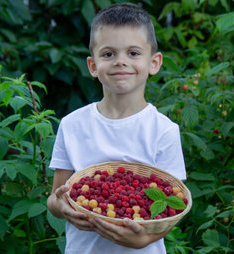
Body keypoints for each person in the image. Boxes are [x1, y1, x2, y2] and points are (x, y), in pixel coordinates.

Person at [46, 3, 186, 253]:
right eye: (109, 54)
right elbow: (56, 198)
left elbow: (174, 204)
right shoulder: (72, 125)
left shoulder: (164, 130)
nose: (121, 62)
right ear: (92, 66)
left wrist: (143, 240)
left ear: (154, 63)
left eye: (133, 53)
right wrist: (63, 209)